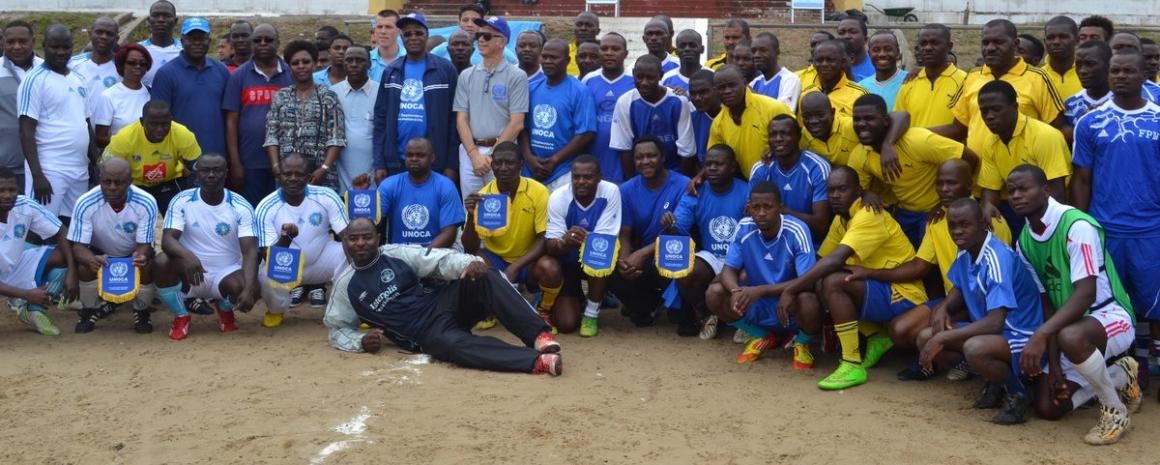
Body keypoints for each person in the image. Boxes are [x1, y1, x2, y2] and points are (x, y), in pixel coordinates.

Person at [323, 217, 563, 375]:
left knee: (484, 275)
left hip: (444, 302)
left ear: (377, 238)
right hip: (426, 333)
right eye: (353, 238)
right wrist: (360, 342)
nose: (360, 243)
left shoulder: (395, 253)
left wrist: (468, 263)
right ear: (345, 242)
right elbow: (337, 329)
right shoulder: (345, 287)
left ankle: (538, 336)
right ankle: (537, 361)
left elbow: (436, 260)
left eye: (367, 237)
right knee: (454, 347)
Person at [1005, 165, 1141, 443]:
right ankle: (1119, 375)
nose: (1016, 195)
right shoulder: (1025, 242)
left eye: (1023, 188)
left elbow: (1086, 294)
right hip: (1069, 328)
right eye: (1011, 191)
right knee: (1049, 406)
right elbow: (1049, 306)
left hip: (1110, 315)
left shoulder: (1077, 226)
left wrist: (1041, 336)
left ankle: (1114, 411)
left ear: (1045, 191)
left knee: (1072, 336)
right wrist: (1054, 363)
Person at [778, 167, 931, 390]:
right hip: (879, 287)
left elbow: (835, 260)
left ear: (858, 191)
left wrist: (790, 290)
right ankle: (876, 335)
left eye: (842, 189)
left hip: (904, 293)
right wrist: (791, 286)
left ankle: (852, 364)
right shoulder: (842, 220)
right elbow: (821, 260)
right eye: (831, 190)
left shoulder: (868, 214)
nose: (835, 196)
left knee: (833, 282)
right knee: (821, 280)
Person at [1071, 51, 1160, 390]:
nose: (1121, 76)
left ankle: (1155, 362)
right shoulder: (1090, 122)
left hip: (1152, 229)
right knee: (1111, 305)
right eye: (1115, 71)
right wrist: (1083, 225)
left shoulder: (1158, 118)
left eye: (1128, 70)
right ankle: (1131, 368)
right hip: (1106, 230)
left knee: (1155, 304)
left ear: (1144, 75)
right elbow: (1082, 179)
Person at [912, 198, 1045, 424]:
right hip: (994, 332)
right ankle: (996, 381)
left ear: (983, 223)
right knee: (926, 336)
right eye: (952, 225)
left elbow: (995, 322)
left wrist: (943, 337)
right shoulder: (966, 250)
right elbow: (960, 286)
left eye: (965, 224)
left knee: (972, 347)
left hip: (1020, 333)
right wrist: (943, 308)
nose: (957, 231)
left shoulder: (997, 258)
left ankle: (1018, 392)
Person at [706, 181, 819, 365]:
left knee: (809, 300)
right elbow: (728, 269)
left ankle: (801, 343)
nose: (761, 213)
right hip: (756, 301)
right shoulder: (744, 226)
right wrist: (735, 291)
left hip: (788, 303)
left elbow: (807, 280)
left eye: (768, 207)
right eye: (756, 207)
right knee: (714, 292)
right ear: (748, 208)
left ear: (780, 207)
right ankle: (761, 336)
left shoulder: (797, 230)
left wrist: (761, 290)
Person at [849, 94, 978, 248]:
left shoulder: (917, 140)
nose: (861, 124)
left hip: (937, 211)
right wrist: (866, 193)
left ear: (885, 121)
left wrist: (946, 203)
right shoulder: (860, 154)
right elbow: (855, 188)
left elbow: (970, 158)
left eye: (869, 118)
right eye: (856, 119)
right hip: (904, 213)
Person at [153, 153, 258, 341]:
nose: (211, 175)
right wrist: (189, 256)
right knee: (161, 261)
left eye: (217, 171)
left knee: (250, 285)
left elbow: (250, 251)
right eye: (205, 170)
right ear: (196, 173)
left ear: (226, 173)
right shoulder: (181, 201)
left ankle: (224, 308)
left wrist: (249, 290)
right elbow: (168, 240)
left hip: (225, 273)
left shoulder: (241, 206)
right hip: (189, 272)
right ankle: (181, 315)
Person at [461, 143, 561, 330]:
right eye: (498, 163)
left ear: (521, 164)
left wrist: (515, 267)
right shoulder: (482, 197)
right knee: (474, 261)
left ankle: (543, 311)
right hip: (496, 260)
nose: (503, 168)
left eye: (509, 163)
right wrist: (472, 217)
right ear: (492, 166)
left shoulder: (538, 191)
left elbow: (544, 238)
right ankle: (489, 308)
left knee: (551, 267)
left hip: (528, 260)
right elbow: (469, 247)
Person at [939, 20, 1064, 156]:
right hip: (978, 167)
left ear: (1015, 44)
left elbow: (1058, 129)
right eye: (985, 43)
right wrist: (921, 135)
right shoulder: (972, 76)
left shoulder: (1038, 78)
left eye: (998, 42)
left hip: (1022, 167)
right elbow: (958, 129)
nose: (990, 48)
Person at [662, 144, 749, 338]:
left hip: (742, 256)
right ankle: (709, 315)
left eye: (719, 164)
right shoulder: (696, 191)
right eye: (708, 164)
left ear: (732, 167)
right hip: (712, 255)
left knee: (748, 276)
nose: (712, 168)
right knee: (685, 270)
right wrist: (670, 225)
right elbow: (680, 229)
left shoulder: (747, 191)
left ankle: (746, 322)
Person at [255, 153, 349, 328]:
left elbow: (348, 236)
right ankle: (276, 310)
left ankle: (344, 309)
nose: (293, 178)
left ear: (308, 177)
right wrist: (286, 239)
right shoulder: (266, 206)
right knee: (265, 273)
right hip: (286, 265)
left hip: (321, 259)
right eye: (287, 174)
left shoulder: (327, 196)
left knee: (350, 253)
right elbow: (268, 257)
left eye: (299, 174)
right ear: (279, 176)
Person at [69, 158, 159, 334]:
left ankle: (142, 311)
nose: (112, 187)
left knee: (146, 264)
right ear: (99, 179)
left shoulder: (146, 202)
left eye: (119, 182)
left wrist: (140, 257)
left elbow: (145, 244)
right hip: (100, 254)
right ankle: (89, 310)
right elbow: (78, 247)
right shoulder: (85, 202)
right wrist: (91, 259)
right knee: (84, 266)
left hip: (132, 253)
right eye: (106, 181)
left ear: (130, 181)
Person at [19, 24, 98, 225]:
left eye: (66, 47)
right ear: (44, 46)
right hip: (50, 169)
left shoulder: (78, 79)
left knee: (72, 225)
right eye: (55, 47)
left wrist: (95, 163)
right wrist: (37, 175)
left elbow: (86, 123)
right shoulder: (34, 80)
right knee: (40, 227)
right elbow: (26, 131)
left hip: (79, 169)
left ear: (73, 47)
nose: (61, 52)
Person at [609, 136, 690, 327]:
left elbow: (683, 233)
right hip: (641, 252)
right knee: (610, 267)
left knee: (666, 260)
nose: (645, 161)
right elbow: (625, 233)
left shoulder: (683, 185)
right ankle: (645, 306)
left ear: (663, 157)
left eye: (651, 156)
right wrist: (625, 261)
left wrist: (642, 254)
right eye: (639, 157)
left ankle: (677, 306)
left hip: (674, 252)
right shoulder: (627, 189)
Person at [374, 13, 459, 185]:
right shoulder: (391, 71)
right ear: (401, 37)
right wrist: (380, 163)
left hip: (436, 163)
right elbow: (380, 120)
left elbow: (454, 120)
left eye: (418, 33)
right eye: (408, 34)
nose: (413, 37)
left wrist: (451, 164)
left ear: (427, 35)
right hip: (396, 162)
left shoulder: (445, 69)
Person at [976, 80, 1071, 231]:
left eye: (996, 109)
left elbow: (1056, 193)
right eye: (984, 111)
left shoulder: (1044, 135)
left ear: (1015, 107)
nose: (989, 116)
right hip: (1014, 208)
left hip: (1048, 208)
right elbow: (990, 189)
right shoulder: (990, 142)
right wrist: (987, 205)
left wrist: (1044, 230)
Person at [543, 155, 620, 336]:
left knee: (599, 254)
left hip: (594, 258)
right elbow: (550, 245)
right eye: (576, 177)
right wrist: (564, 242)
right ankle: (570, 297)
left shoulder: (610, 191)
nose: (581, 181)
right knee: (566, 324)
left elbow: (604, 239)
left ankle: (591, 313)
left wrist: (580, 238)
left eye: (588, 177)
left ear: (599, 177)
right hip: (568, 262)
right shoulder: (558, 197)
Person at [453, 16, 528, 199]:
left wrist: (493, 155)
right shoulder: (466, 75)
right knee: (471, 207)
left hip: (503, 153)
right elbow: (461, 119)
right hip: (470, 151)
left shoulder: (517, 76)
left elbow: (517, 122)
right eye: (478, 35)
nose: (480, 39)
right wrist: (474, 155)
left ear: (502, 41)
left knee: (502, 206)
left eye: (486, 36)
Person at [0, 167, 75, 336]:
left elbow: (61, 232)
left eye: (11, 190)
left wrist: (72, 272)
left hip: (14, 266)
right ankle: (23, 298)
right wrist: (26, 294)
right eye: (1, 191)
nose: (7, 195)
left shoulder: (25, 205)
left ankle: (32, 311)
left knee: (64, 255)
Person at [223, 23, 292, 206]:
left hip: (286, 160)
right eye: (257, 40)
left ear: (278, 42)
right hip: (250, 161)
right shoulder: (238, 76)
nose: (263, 43)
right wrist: (235, 163)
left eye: (268, 40)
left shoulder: (290, 73)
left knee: (281, 212)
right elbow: (231, 121)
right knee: (252, 213)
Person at [264, 40, 346, 192]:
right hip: (287, 176)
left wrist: (324, 168)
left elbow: (337, 138)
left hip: (321, 176)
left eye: (306, 62)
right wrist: (276, 167)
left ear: (314, 64)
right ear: (289, 67)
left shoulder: (328, 96)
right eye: (295, 63)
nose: (301, 66)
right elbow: (271, 136)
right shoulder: (281, 96)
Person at [353, 137, 463, 248]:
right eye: (409, 155)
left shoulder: (446, 186)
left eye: (420, 155)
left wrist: (423, 256)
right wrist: (360, 195)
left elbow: (449, 234)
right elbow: (368, 226)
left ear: (432, 158)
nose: (414, 159)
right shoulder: (389, 184)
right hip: (398, 253)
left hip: (436, 253)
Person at [519, 39, 596, 192]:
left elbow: (586, 133)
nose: (548, 61)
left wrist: (555, 160)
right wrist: (529, 158)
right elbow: (522, 127)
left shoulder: (580, 91)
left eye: (553, 57)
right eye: (545, 57)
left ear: (567, 61)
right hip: (531, 170)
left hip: (563, 171)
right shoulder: (531, 88)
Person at [103, 100, 200, 215]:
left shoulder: (182, 133)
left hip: (170, 181)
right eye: (153, 124)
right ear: (142, 122)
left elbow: (197, 167)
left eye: (165, 124)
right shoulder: (124, 137)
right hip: (135, 184)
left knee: (185, 215)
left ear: (171, 120)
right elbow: (106, 169)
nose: (159, 129)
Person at [152, 17, 231, 158]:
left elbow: (229, 116)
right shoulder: (166, 73)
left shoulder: (222, 70)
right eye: (191, 38)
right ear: (182, 41)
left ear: (209, 41)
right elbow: (158, 121)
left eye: (201, 38)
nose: (197, 42)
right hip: (180, 157)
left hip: (217, 156)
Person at [749, 115, 832, 244]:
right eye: (773, 135)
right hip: (769, 243)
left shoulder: (817, 167)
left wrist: (784, 212)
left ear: (798, 136)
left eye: (785, 133)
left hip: (810, 244)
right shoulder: (761, 168)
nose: (778, 139)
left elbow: (821, 225)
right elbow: (751, 214)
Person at [609, 55, 695, 178]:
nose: (644, 83)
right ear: (633, 74)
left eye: (650, 78)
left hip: (674, 172)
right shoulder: (625, 102)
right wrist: (634, 182)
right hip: (641, 175)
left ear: (661, 75)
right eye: (639, 77)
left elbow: (687, 150)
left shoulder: (679, 101)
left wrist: (681, 183)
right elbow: (625, 148)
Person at [706, 65, 792, 178]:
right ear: (715, 91)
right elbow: (715, 158)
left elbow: (796, 140)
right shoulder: (718, 123)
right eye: (721, 88)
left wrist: (775, 148)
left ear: (745, 83)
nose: (727, 91)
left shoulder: (773, 108)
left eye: (732, 85)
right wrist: (701, 176)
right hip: (749, 184)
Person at [581, 33, 634, 183]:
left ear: (626, 54)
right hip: (594, 159)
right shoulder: (589, 80)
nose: (609, 53)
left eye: (615, 49)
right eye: (604, 49)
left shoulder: (634, 80)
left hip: (625, 161)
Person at [896, 24, 967, 128]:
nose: (928, 48)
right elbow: (898, 122)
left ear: (949, 46)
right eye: (923, 44)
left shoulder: (964, 81)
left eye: (935, 43)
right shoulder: (909, 82)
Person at [1, 21, 42, 192]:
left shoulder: (46, 70)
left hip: (45, 165)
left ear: (33, 41)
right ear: (3, 42)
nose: (17, 47)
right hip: (6, 168)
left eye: (22, 41)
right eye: (11, 42)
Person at [331, 46, 377, 194]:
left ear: (369, 64)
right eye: (349, 60)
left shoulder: (381, 92)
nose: (354, 64)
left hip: (373, 177)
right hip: (340, 178)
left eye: (360, 60)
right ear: (343, 63)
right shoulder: (332, 93)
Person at [92, 44, 152, 148]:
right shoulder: (109, 96)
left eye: (143, 63)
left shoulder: (152, 92)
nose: (138, 66)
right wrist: (129, 146)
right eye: (132, 63)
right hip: (120, 155)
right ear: (122, 65)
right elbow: (100, 138)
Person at [430, 4, 518, 66]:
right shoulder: (444, 48)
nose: (469, 25)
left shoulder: (495, 48)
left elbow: (516, 65)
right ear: (459, 23)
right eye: (465, 20)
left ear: (482, 24)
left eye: (474, 21)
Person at [800, 39, 869, 118]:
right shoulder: (805, 94)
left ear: (843, 62)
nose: (824, 64)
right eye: (819, 60)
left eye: (830, 60)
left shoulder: (859, 94)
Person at [67, 17, 119, 103]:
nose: (104, 37)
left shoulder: (124, 68)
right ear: (90, 34)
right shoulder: (71, 64)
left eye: (109, 34)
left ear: (116, 39)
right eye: (99, 32)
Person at [1064, 41, 1113, 126]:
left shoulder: (1124, 101)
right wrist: (1083, 122)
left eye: (1090, 64)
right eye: (1078, 64)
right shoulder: (1070, 104)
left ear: (1109, 65)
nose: (1082, 71)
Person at [858, 31, 907, 112]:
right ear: (869, 54)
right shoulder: (861, 87)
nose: (882, 54)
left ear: (898, 52)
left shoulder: (909, 81)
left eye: (888, 49)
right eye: (876, 50)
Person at [749, 32, 800, 108]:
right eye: (753, 51)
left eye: (763, 50)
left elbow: (783, 112)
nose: (756, 55)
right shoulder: (755, 82)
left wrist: (753, 95)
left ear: (777, 52)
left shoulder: (790, 80)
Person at [140, 0, 181, 87]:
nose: (161, 20)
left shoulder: (185, 50)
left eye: (167, 16)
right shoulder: (137, 50)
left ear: (175, 21)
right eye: (155, 15)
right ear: (149, 20)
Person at [1043, 16, 1083, 100]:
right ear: (1045, 41)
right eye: (1050, 37)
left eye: (1063, 37)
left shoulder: (1089, 75)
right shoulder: (1037, 77)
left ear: (1077, 40)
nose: (1056, 42)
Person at [687, 69, 719, 163]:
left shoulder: (732, 116)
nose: (697, 98)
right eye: (693, 93)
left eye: (703, 92)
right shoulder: (691, 119)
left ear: (716, 90)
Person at [368, 10, 404, 80]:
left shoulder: (410, 59)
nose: (383, 31)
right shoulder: (366, 60)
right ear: (375, 30)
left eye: (388, 27)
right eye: (379, 27)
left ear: (399, 31)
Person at [837, 16, 874, 82]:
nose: (847, 36)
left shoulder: (877, 68)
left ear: (865, 39)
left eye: (853, 32)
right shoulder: (830, 68)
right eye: (841, 32)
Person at [568, 12, 600, 77]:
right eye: (579, 25)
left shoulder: (604, 52)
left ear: (598, 31)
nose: (583, 28)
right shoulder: (564, 51)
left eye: (589, 25)